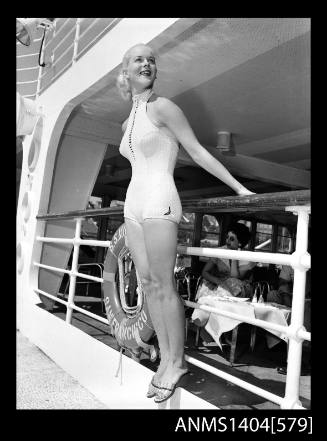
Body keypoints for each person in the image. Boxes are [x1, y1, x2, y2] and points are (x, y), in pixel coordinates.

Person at [116, 43, 254, 403]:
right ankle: (164, 357)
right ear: (126, 72)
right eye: (138, 59)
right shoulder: (127, 119)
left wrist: (240, 188)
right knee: (146, 283)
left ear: (154, 71)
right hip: (132, 204)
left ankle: (176, 361)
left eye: (151, 60)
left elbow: (197, 150)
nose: (146, 63)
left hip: (160, 198)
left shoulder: (163, 107)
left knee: (163, 282)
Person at [199, 222, 256, 299]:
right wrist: (218, 281)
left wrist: (234, 257)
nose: (228, 241)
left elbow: (234, 277)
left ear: (240, 243)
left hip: (237, 288)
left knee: (232, 282)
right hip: (219, 284)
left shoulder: (246, 258)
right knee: (206, 286)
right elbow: (204, 272)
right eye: (227, 237)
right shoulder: (220, 251)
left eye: (232, 239)